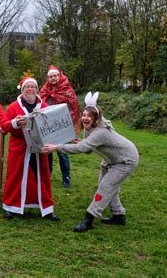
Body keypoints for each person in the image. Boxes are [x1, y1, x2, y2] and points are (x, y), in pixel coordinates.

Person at [41, 92, 139, 232]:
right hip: (111, 160)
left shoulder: (100, 132)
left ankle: (89, 218)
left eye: (89, 116)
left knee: (105, 188)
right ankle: (118, 215)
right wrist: (79, 142)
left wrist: (57, 147)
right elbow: (87, 148)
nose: (85, 118)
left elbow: (82, 149)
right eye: (84, 115)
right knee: (107, 186)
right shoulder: (89, 129)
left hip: (125, 160)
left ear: (96, 118)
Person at [0, 77, 59, 221]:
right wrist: (15, 122)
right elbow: (3, 126)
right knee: (15, 177)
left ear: (37, 89)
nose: (30, 89)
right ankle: (10, 207)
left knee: (42, 176)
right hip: (19, 147)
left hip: (39, 147)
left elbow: (52, 125)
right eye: (27, 86)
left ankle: (47, 208)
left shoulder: (44, 106)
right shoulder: (14, 107)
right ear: (22, 89)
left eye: (33, 86)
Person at [39, 65, 81, 187]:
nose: (53, 78)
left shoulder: (66, 89)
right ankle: (48, 174)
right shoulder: (44, 89)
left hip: (62, 126)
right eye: (50, 76)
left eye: (55, 76)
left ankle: (66, 177)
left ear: (59, 76)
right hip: (48, 126)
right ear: (48, 78)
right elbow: (39, 102)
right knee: (48, 152)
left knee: (62, 152)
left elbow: (73, 105)